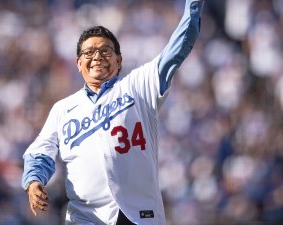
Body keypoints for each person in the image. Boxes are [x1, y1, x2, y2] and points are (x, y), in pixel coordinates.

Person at [22, 0, 204, 224]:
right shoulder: (63, 109)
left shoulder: (138, 85)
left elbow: (180, 45)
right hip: (86, 218)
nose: (97, 57)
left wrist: (193, 4)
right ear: (79, 64)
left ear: (119, 60)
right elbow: (40, 152)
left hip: (138, 215)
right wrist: (33, 181)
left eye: (105, 51)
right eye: (89, 52)